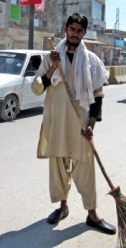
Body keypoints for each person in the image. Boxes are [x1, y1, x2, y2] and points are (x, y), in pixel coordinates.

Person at [31, 13, 116, 235]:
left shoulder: (93, 61)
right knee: (58, 166)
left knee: (86, 167)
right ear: (65, 29)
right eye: (72, 29)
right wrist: (52, 67)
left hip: (80, 124)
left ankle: (92, 214)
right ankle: (62, 207)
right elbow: (38, 88)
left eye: (79, 31)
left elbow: (98, 94)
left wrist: (92, 124)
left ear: (84, 33)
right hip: (56, 122)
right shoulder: (51, 57)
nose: (75, 34)